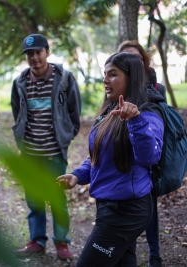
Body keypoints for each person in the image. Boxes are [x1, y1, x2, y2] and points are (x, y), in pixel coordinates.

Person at [57, 52, 165, 266]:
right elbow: (100, 158)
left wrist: (136, 121)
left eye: (113, 74)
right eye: (105, 74)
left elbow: (150, 156)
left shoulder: (148, 112)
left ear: (131, 78)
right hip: (108, 206)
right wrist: (77, 176)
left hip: (127, 210)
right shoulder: (110, 110)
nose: (105, 80)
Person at [11, 33, 81, 261]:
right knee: (34, 200)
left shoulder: (64, 79)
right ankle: (37, 241)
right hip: (29, 155)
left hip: (54, 155)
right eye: (29, 54)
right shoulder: (20, 81)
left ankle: (62, 243)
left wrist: (66, 136)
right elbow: (17, 112)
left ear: (47, 52)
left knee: (58, 200)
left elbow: (74, 112)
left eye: (38, 52)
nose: (34, 58)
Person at [118, 40, 165, 267]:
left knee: (150, 208)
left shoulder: (154, 88)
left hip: (150, 158)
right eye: (126, 57)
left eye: (136, 57)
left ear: (143, 60)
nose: (132, 61)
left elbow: (159, 121)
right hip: (125, 161)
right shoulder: (117, 87)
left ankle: (154, 254)